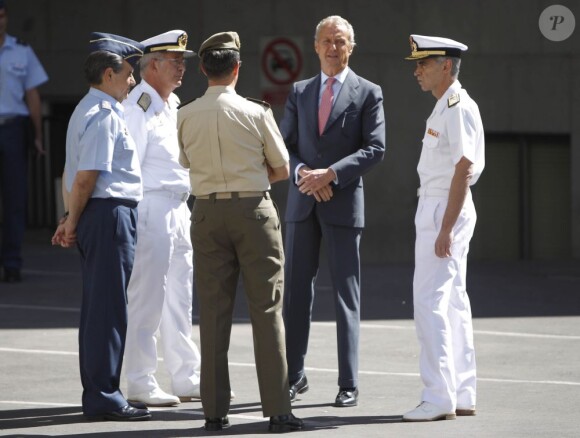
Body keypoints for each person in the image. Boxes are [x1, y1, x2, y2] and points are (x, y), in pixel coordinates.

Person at [177, 31, 303, 433]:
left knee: (213, 313)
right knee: (266, 309)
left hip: (206, 212)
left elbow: (186, 162)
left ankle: (214, 411)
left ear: (202, 69)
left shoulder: (185, 113)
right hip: (252, 210)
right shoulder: (256, 111)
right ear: (237, 69)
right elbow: (282, 168)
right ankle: (279, 411)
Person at [280, 15, 385, 408]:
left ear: (351, 47)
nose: (332, 48)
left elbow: (376, 148)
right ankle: (293, 375)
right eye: (326, 41)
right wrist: (303, 173)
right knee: (295, 295)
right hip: (302, 202)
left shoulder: (368, 92)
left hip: (341, 205)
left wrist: (331, 175)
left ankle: (348, 382)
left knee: (346, 295)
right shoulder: (300, 91)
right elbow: (282, 144)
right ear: (315, 46)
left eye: (340, 41)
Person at [51, 32, 151, 421]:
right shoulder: (104, 114)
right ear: (109, 74)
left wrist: (68, 217)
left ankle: (101, 391)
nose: (132, 81)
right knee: (107, 311)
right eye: (129, 73)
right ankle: (104, 394)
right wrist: (72, 220)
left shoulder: (86, 109)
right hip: (108, 215)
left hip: (99, 214)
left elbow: (70, 174)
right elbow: (86, 177)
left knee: (100, 308)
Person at [402, 34, 485, 422]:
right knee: (453, 302)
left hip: (442, 208)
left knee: (430, 302)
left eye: (424, 63)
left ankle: (438, 397)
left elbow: (464, 168)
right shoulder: (446, 106)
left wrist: (445, 227)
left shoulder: (455, 106)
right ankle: (461, 391)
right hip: (442, 206)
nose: (417, 70)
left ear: (446, 66)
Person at [123, 29, 202, 408]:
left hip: (179, 206)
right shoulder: (138, 104)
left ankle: (186, 377)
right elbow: (130, 165)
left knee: (180, 298)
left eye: (182, 62)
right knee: (148, 298)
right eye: (175, 62)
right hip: (151, 207)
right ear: (152, 65)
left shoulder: (171, 104)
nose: (181, 69)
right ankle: (140, 380)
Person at [0, 0, 48, 283]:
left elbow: (33, 95)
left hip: (13, 129)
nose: (0, 21)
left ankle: (12, 263)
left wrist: (38, 136)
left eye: (3, 15)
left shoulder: (22, 51)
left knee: (15, 198)